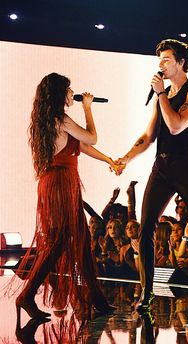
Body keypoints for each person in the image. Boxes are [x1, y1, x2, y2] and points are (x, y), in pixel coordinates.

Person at [116, 39, 188, 313]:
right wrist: (125, 158)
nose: (161, 64)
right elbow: (149, 136)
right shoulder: (162, 97)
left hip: (186, 164)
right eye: (160, 60)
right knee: (146, 226)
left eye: (166, 59)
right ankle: (147, 293)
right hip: (162, 165)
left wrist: (162, 94)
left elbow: (176, 126)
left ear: (180, 62)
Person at [14, 72, 118, 319]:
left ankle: (97, 299)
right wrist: (88, 109)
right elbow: (91, 136)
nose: (73, 94)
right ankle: (26, 296)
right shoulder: (60, 118)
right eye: (69, 90)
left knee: (81, 242)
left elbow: (81, 145)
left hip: (59, 183)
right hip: (60, 183)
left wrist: (108, 160)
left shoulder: (49, 120)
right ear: (60, 93)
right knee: (60, 242)